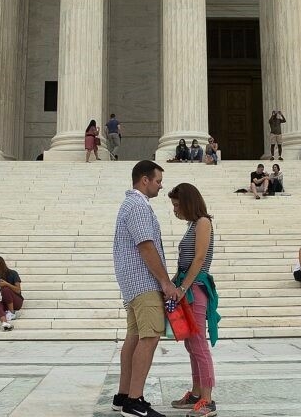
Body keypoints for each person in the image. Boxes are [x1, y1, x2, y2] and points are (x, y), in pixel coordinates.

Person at [112, 161, 179, 417]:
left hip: (132, 282)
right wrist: (165, 282)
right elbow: (146, 245)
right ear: (144, 180)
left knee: (134, 336)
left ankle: (123, 395)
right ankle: (134, 401)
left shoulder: (129, 204)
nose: (161, 186)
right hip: (144, 282)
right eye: (158, 181)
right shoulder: (138, 206)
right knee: (149, 337)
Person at [168, 183, 220, 417]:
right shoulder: (192, 225)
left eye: (177, 205)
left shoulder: (203, 223)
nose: (175, 210)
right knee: (191, 344)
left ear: (188, 203)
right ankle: (197, 392)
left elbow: (199, 259)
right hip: (186, 287)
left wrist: (182, 287)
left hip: (195, 288)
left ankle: (207, 399)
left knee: (198, 343)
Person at [0, 256, 23, 331]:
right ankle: (5, 323)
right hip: (6, 302)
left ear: (1, 264)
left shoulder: (13, 273)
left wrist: (6, 284)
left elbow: (18, 290)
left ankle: (12, 313)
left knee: (5, 289)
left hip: (17, 301)